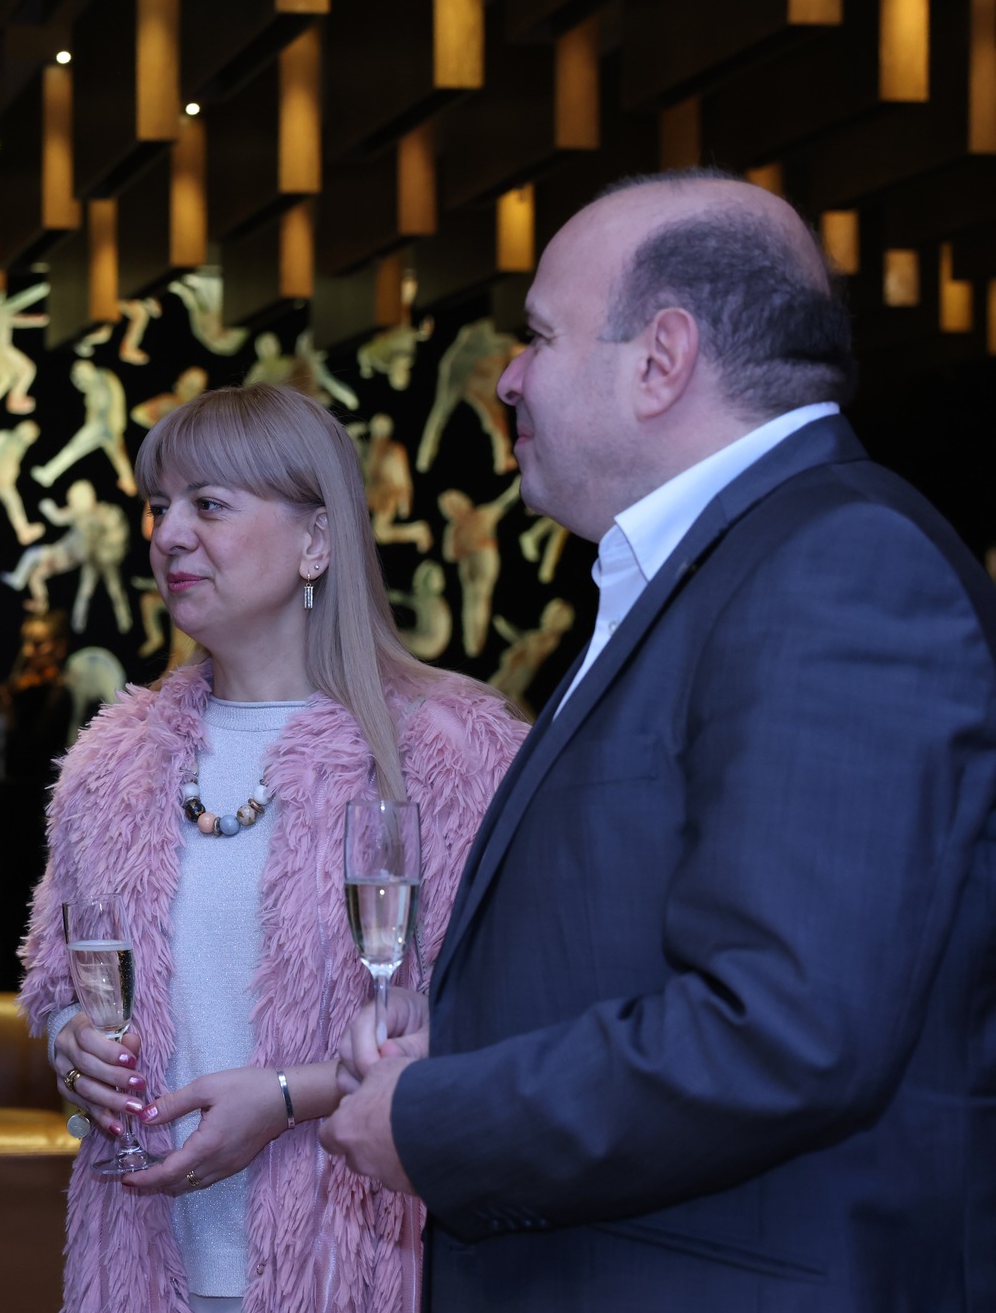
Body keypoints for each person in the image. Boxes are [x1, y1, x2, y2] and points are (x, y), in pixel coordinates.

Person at [321, 170, 996, 1311]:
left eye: (539, 335)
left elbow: (786, 1027)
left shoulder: (836, 568)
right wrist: (472, 1037)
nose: (509, 376)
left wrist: (439, 1117)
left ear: (661, 359)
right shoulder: (733, 567)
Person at [17, 384, 528, 1313]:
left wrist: (292, 1093)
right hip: (142, 1262)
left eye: (209, 504)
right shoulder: (110, 761)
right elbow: (56, 982)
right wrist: (71, 1047)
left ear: (316, 541)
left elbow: (503, 1022)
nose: (169, 535)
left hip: (355, 1266)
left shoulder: (447, 752)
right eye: (159, 506)